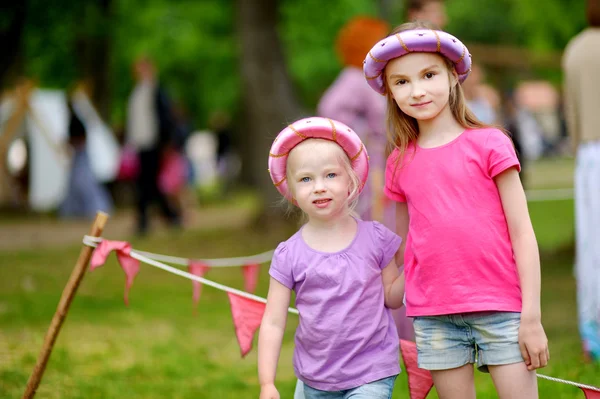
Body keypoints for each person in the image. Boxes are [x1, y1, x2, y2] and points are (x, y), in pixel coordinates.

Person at [363, 22, 549, 398]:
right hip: (434, 316)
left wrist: (531, 316)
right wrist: (393, 287)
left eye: (428, 75)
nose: (416, 91)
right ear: (390, 93)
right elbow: (405, 239)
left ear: (452, 75)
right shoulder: (399, 161)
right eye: (401, 82)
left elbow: (522, 233)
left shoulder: (490, 144)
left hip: (501, 308)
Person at [258, 117, 406, 399]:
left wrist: (413, 268)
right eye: (305, 179)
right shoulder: (289, 254)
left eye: (330, 175)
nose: (319, 187)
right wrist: (267, 382)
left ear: (351, 179)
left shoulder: (375, 238)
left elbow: (391, 298)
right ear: (290, 188)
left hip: (371, 371)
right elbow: (273, 322)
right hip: (315, 378)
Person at [562, 0, 600, 362]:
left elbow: (570, 109)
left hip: (588, 157)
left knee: (591, 248)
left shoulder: (575, 49)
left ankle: (591, 335)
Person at [126, 57, 181, 235]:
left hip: (153, 143)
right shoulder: (138, 91)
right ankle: (170, 216)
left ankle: (145, 221)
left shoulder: (156, 90)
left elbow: (165, 117)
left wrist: (166, 142)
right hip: (141, 143)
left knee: (146, 182)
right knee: (149, 183)